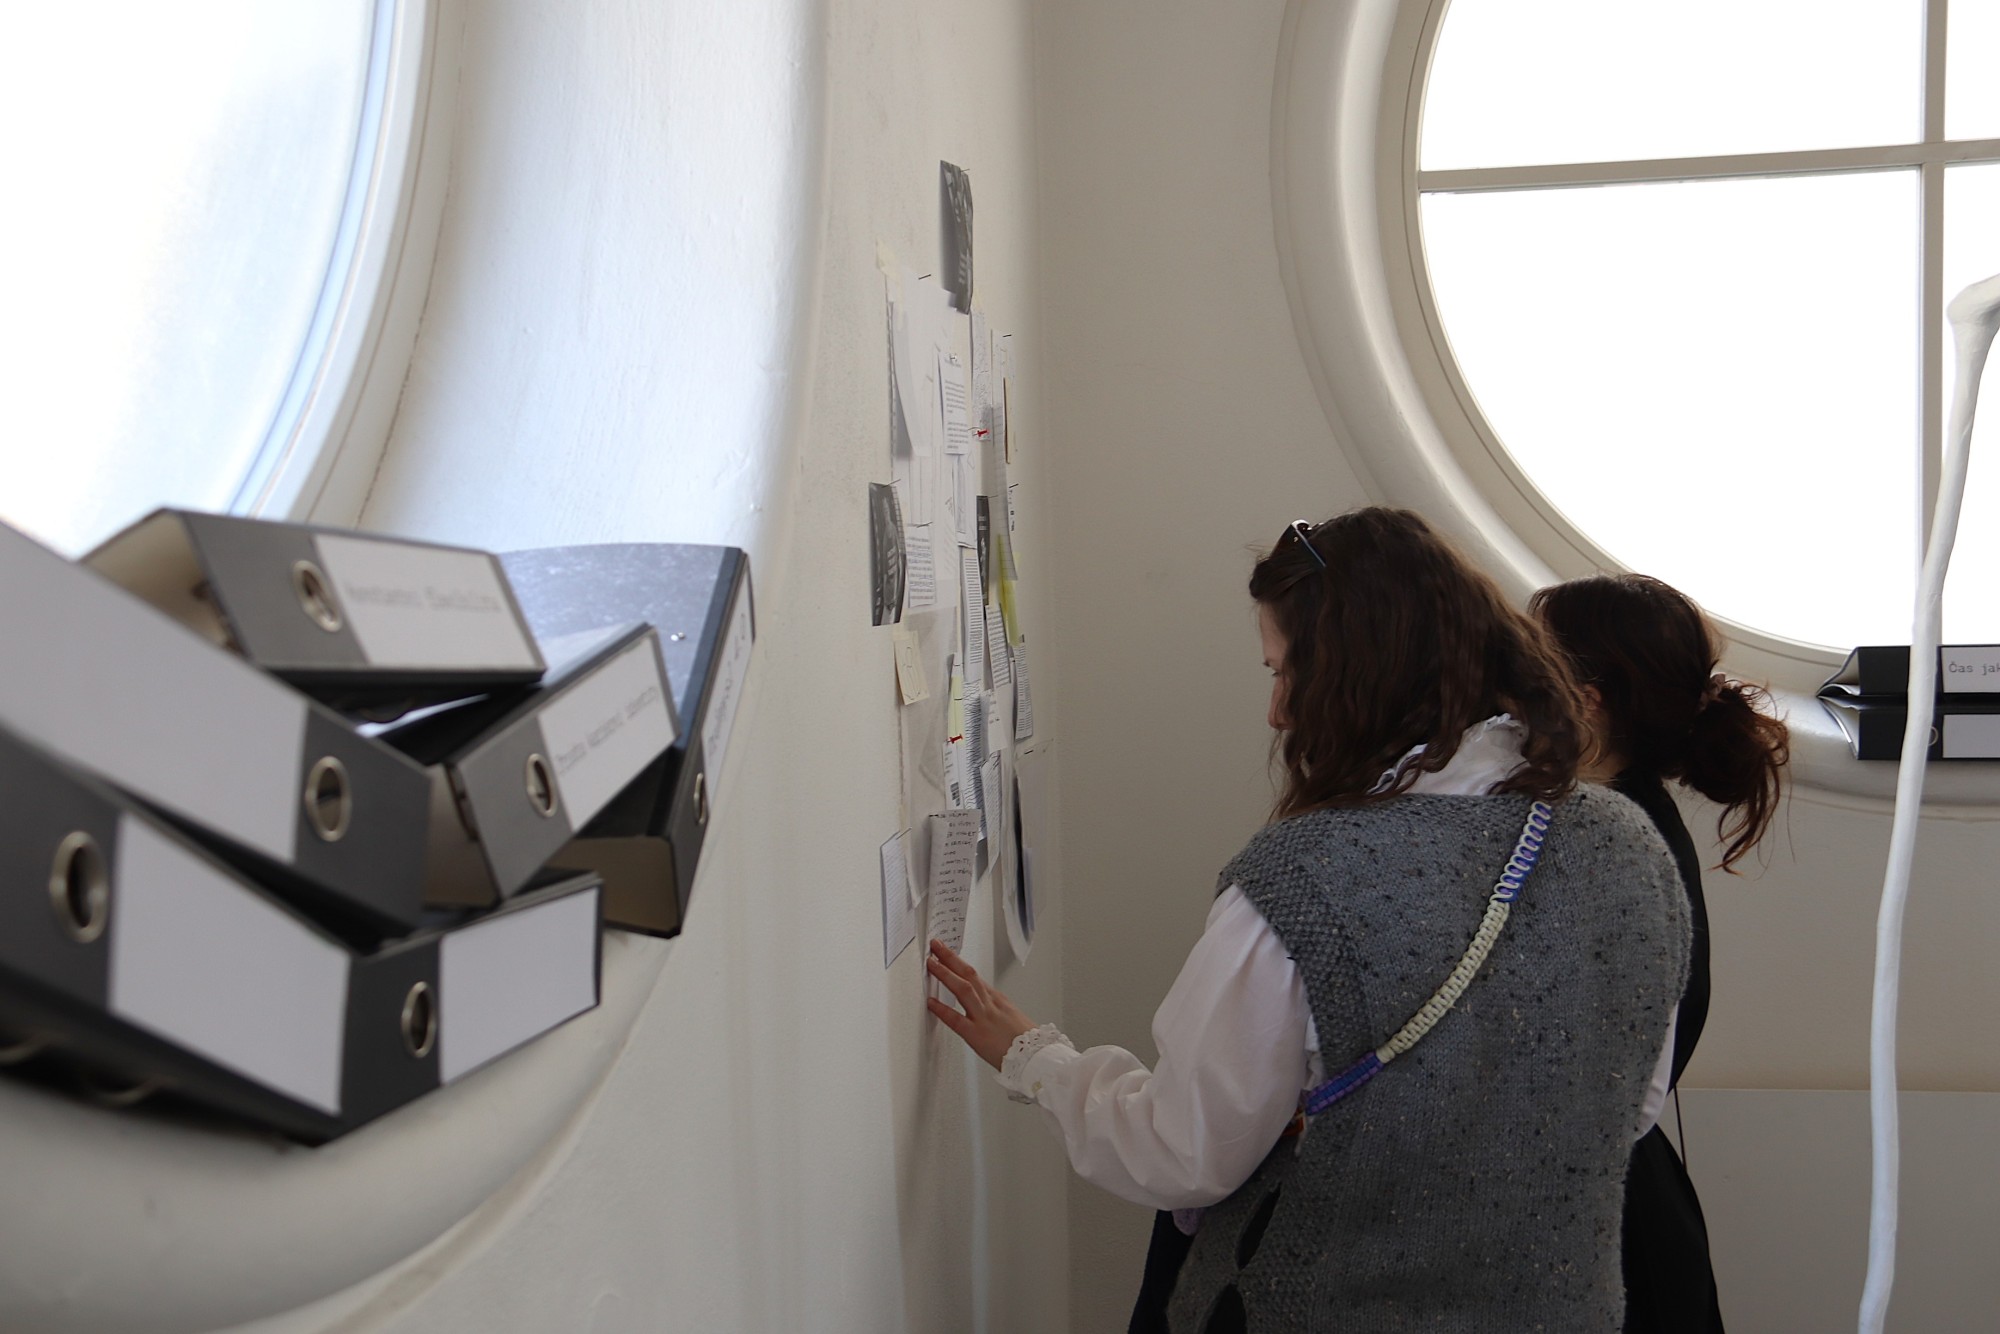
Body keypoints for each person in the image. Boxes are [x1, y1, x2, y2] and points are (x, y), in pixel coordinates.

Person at [925, 507, 1691, 1332]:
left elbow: (1182, 1150)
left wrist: (1037, 1061)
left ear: (1358, 678)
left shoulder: (1306, 881)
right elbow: (1630, 1101)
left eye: (1285, 673)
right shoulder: (1627, 844)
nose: (1277, 713)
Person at [1531, 574, 1790, 1334]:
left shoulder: (1613, 844)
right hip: (1609, 1198)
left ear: (1586, 701)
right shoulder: (1607, 818)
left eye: (1523, 663)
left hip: (1603, 1230)